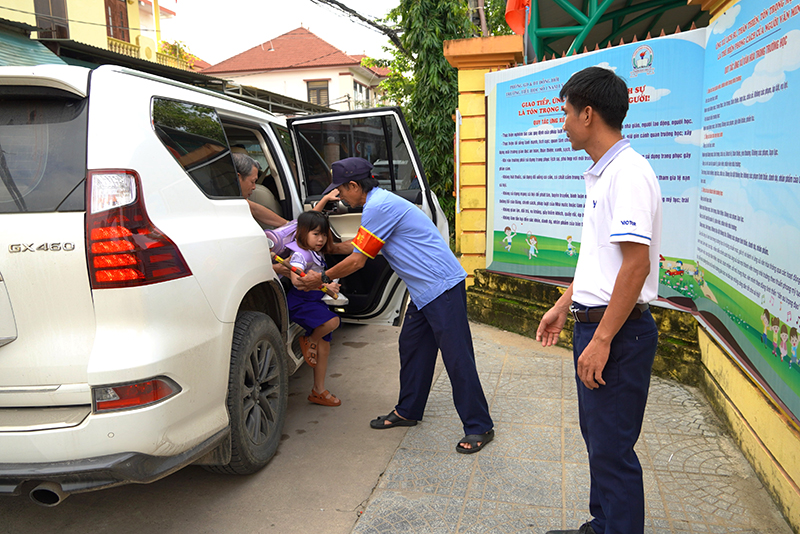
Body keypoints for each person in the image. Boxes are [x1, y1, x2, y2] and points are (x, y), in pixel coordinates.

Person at [536, 66, 662, 534]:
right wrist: (562, 305)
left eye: (566, 112)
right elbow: (601, 263)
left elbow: (635, 266)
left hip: (619, 332)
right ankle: (603, 524)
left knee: (613, 449)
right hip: (600, 324)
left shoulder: (626, 174)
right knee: (599, 441)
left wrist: (604, 338)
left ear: (588, 113)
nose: (562, 122)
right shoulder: (605, 173)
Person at [296, 157, 495, 453]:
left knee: (457, 357)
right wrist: (333, 247)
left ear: (354, 186)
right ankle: (408, 411)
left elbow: (358, 260)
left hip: (442, 287)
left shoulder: (379, 206)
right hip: (423, 291)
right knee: (412, 347)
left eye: (340, 190)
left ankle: (480, 426)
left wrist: (321, 278)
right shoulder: (377, 204)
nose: (338, 196)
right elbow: (366, 242)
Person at [286, 211, 342, 407]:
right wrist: (325, 285)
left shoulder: (316, 253)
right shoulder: (300, 254)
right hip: (301, 302)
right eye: (315, 234)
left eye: (324, 234)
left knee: (324, 347)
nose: (321, 239)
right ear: (302, 233)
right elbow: (297, 279)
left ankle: (318, 390)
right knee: (333, 322)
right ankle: (309, 340)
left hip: (314, 301)